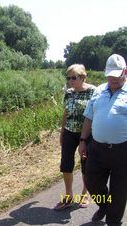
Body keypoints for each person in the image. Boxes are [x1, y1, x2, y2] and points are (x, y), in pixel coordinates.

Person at [78, 54, 127, 226]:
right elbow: (89, 117)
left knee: (119, 191)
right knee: (92, 182)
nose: (113, 79)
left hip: (123, 151)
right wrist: (83, 141)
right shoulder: (98, 90)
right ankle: (104, 205)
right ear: (105, 72)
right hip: (97, 148)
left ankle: (114, 221)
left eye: (117, 75)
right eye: (110, 75)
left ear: (125, 72)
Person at [54, 64, 96, 211]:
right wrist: (62, 132)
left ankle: (85, 194)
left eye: (74, 77)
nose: (70, 80)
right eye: (68, 77)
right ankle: (69, 196)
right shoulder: (68, 93)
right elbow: (66, 113)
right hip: (69, 132)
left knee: (85, 164)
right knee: (66, 163)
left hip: (87, 134)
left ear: (83, 77)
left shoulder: (93, 92)